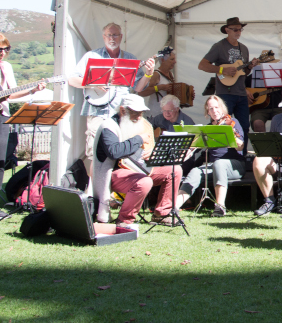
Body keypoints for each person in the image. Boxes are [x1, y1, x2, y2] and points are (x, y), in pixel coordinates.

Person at [68, 23, 155, 175]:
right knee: (95, 155)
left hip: (122, 116)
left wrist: (148, 74)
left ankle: (116, 194)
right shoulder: (92, 56)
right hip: (97, 113)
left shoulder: (129, 58)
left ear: (121, 37)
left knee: (121, 154)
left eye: (115, 35)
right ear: (103, 37)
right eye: (108, 35)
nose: (111, 38)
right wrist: (93, 83)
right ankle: (94, 193)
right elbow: (72, 80)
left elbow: (138, 88)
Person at [91, 95, 181, 226]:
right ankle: (124, 220)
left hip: (138, 168)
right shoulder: (108, 126)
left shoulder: (137, 123)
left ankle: (162, 214)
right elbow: (114, 152)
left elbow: (144, 146)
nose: (139, 117)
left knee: (175, 170)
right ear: (123, 111)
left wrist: (151, 152)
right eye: (135, 113)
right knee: (144, 181)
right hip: (113, 172)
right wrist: (139, 139)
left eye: (141, 113)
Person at [0, 32, 45, 218]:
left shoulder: (6, 67)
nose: (2, 53)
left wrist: (32, 90)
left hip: (1, 116)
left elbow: (9, 94)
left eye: (6, 49)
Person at [175, 96, 246, 217]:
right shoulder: (207, 128)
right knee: (195, 172)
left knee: (219, 164)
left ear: (222, 108)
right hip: (213, 165)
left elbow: (241, 147)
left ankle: (220, 207)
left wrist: (232, 137)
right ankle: (174, 207)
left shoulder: (233, 122)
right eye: (211, 108)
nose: (214, 111)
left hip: (234, 165)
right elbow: (195, 147)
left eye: (217, 107)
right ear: (207, 111)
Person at [198, 17, 257, 146]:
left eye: (240, 29)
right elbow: (202, 65)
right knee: (224, 125)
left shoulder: (244, 49)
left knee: (244, 127)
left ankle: (242, 156)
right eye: (235, 29)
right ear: (227, 30)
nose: (238, 32)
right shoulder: (219, 47)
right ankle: (224, 154)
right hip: (225, 94)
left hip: (241, 94)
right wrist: (222, 70)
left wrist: (249, 67)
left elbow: (243, 73)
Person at [137, 49, 191, 117]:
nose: (175, 62)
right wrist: (160, 87)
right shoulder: (156, 74)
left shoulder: (171, 74)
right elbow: (141, 92)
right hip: (155, 115)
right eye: (172, 59)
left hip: (167, 115)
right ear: (162, 60)